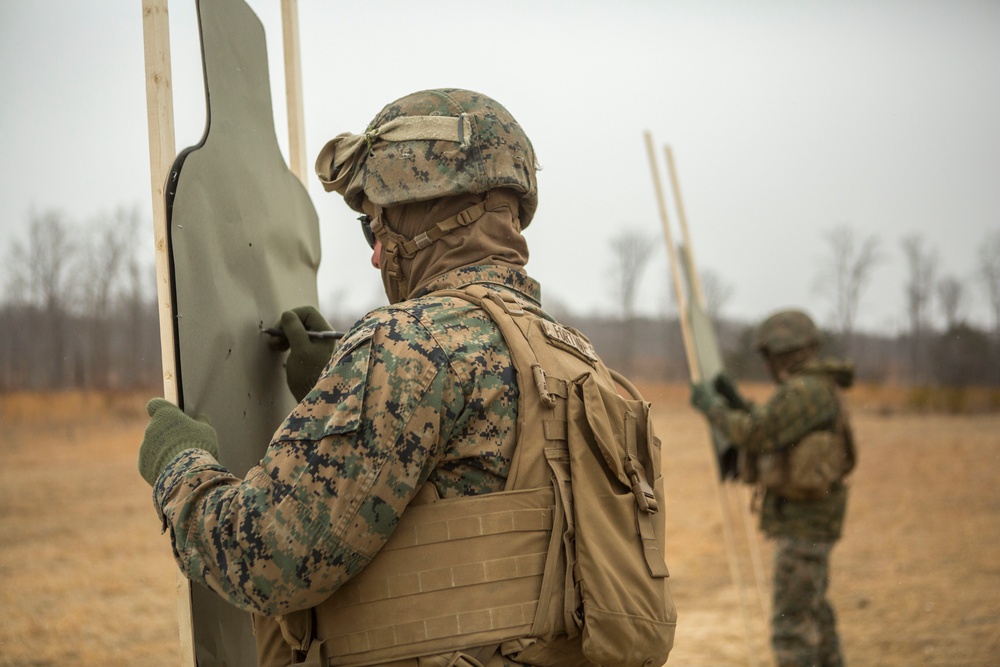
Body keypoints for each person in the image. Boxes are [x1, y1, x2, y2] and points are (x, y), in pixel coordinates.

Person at [138, 88, 674, 667]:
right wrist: (339, 388)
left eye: (375, 227)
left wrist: (181, 466)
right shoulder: (574, 357)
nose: (374, 256)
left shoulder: (409, 345)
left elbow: (268, 558)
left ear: (428, 213)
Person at [690, 309, 856, 667]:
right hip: (810, 524)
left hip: (804, 525)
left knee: (792, 628)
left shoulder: (805, 391)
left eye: (768, 356)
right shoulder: (814, 388)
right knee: (815, 615)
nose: (766, 364)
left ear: (783, 353)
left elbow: (758, 434)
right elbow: (773, 425)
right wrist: (737, 404)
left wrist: (714, 409)